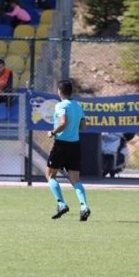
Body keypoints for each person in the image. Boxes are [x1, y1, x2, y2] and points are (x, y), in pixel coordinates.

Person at [45, 80, 91, 221]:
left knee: (50, 175)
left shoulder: (61, 105)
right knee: (75, 179)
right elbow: (83, 127)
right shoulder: (78, 106)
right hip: (75, 145)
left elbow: (63, 122)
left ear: (59, 91)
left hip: (61, 145)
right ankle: (84, 206)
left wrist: (53, 132)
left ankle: (61, 203)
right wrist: (72, 130)